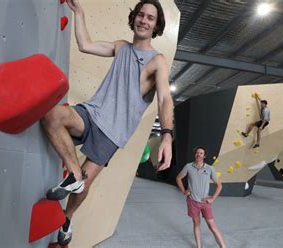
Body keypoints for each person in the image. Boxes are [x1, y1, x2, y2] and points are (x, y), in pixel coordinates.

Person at [40, 0, 174, 245]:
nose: (144, 20)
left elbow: (165, 98)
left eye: (150, 18)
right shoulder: (121, 47)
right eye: (141, 15)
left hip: (111, 133)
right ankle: (75, 173)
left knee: (85, 186)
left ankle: (67, 217)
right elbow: (85, 45)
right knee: (52, 116)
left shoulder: (157, 62)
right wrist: (79, 12)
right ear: (134, 18)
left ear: (156, 26)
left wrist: (167, 135)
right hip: (90, 114)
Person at [176, 146, 226, 248]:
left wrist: (212, 198)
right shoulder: (188, 167)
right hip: (192, 201)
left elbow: (219, 185)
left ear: (204, 156)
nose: (199, 154)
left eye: (201, 153)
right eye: (197, 153)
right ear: (195, 154)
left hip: (205, 203)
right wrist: (183, 191)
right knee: (196, 224)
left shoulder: (209, 168)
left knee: (212, 226)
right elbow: (178, 178)